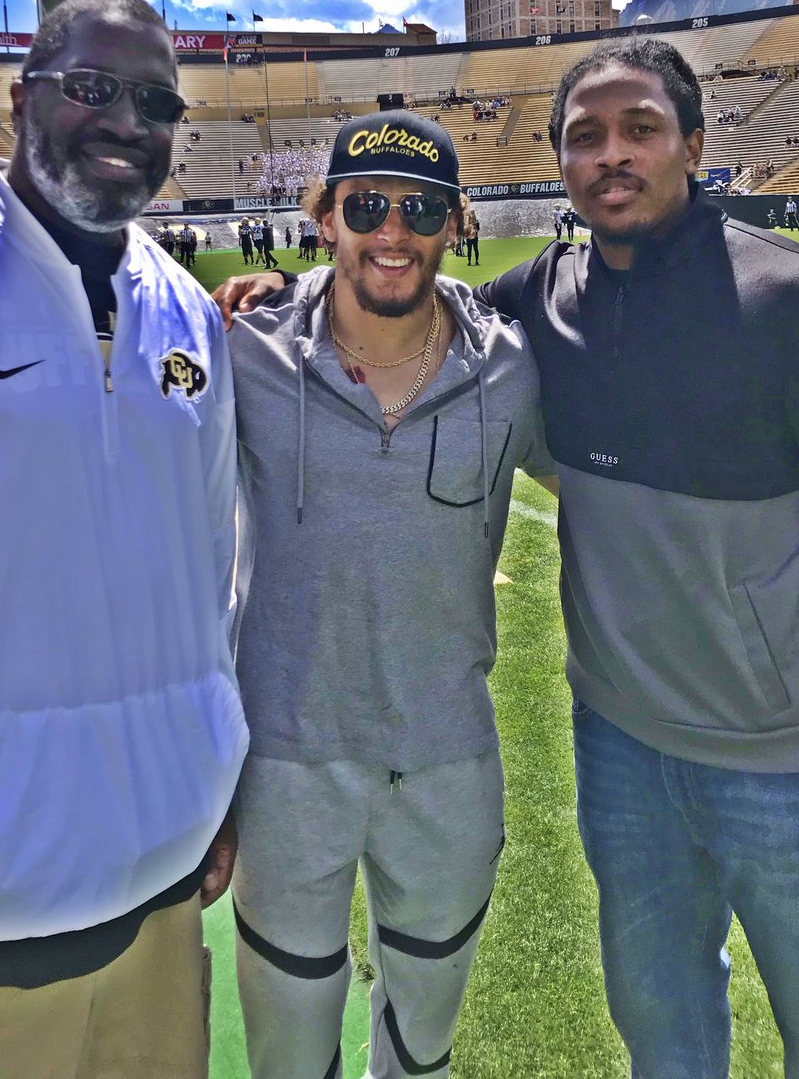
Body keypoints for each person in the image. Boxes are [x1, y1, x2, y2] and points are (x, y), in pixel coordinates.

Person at [469, 35, 799, 1079]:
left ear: (694, 146)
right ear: (561, 161)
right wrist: (286, 292)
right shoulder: (538, 297)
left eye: (640, 129)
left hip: (792, 762)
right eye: (585, 137)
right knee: (661, 1035)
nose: (611, 155)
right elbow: (412, 320)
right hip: (619, 747)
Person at [0, 0, 248, 1079]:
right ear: (22, 98)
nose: (125, 121)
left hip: (159, 895)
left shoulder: (184, 311)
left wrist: (212, 777)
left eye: (156, 103)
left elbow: (211, 576)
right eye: (92, 88)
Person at [223, 111, 553, 1078]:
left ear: (456, 221)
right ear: (324, 216)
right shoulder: (244, 347)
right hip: (284, 757)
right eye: (366, 206)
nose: (392, 231)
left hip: (447, 754)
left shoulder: (512, 363)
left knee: (421, 1048)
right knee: (289, 1054)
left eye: (420, 208)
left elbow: (612, 491)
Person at [464, 199, 480, 265]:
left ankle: (476, 261)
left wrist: (474, 230)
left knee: (476, 249)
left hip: (475, 237)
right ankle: (469, 261)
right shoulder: (467, 223)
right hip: (469, 238)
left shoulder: (476, 222)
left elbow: (478, 229)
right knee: (469, 250)